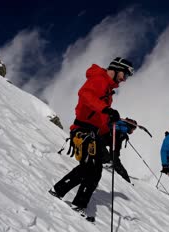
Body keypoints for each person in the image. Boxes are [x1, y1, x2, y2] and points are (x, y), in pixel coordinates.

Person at [49, 57, 134, 215]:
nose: (125, 79)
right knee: (90, 168)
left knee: (94, 170)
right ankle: (66, 196)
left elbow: (98, 117)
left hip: (92, 132)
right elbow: (85, 95)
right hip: (82, 130)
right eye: (125, 74)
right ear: (116, 68)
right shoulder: (98, 79)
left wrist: (108, 130)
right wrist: (106, 109)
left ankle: (67, 196)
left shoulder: (108, 90)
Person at [102, 118, 137, 183]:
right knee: (112, 160)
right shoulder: (120, 132)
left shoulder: (119, 129)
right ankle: (127, 181)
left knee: (111, 159)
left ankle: (106, 161)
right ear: (129, 127)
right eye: (133, 129)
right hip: (98, 143)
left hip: (96, 140)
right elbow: (115, 148)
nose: (133, 132)